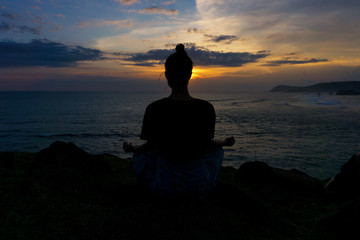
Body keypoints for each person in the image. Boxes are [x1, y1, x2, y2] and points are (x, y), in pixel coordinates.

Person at [123, 44, 235, 198]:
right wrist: (224, 143)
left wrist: (132, 149)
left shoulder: (154, 108)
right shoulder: (206, 108)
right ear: (190, 75)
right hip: (199, 187)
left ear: (167, 76)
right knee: (218, 151)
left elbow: (150, 146)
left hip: (163, 188)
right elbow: (207, 143)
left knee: (140, 156)